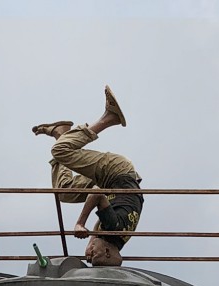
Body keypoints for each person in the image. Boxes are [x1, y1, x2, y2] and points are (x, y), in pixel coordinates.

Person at [33, 86, 144, 267]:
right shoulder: (112, 229)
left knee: (64, 192)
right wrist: (79, 223)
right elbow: (96, 193)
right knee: (60, 150)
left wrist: (91, 238)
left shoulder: (115, 238)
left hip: (114, 182)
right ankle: (109, 118)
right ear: (107, 252)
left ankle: (61, 132)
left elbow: (101, 217)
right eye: (93, 256)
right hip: (116, 171)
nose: (89, 255)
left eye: (88, 258)